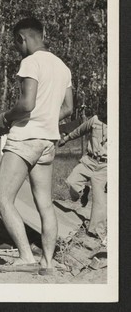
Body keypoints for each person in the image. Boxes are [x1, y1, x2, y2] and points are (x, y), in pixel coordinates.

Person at [0, 17, 73, 275]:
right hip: (48, 141)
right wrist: (48, 119)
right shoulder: (62, 67)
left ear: (23, 38)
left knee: (2, 199)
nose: (18, 49)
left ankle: (26, 256)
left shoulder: (30, 61)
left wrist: (6, 117)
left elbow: (27, 104)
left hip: (25, 138)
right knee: (45, 204)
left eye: (17, 44)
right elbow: (68, 108)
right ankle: (47, 263)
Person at [58, 101, 107, 237]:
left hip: (105, 168)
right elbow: (79, 131)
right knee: (71, 182)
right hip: (88, 161)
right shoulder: (95, 120)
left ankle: (96, 231)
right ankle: (83, 191)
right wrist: (66, 139)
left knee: (100, 201)